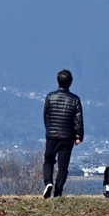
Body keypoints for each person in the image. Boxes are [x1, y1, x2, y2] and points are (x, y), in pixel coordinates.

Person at [42, 70, 85, 198]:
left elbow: (46, 116)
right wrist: (79, 136)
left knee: (48, 161)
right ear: (70, 82)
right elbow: (78, 120)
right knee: (63, 166)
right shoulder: (75, 99)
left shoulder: (50, 97)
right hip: (67, 137)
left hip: (52, 135)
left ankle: (48, 182)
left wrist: (49, 129)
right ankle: (58, 191)